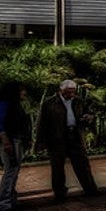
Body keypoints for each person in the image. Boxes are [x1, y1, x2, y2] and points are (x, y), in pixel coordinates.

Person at [36, 80, 99, 201]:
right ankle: (60, 193)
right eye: (68, 92)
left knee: (82, 164)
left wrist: (88, 117)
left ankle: (90, 189)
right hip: (57, 138)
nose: (71, 95)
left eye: (73, 92)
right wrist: (40, 142)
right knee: (57, 167)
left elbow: (88, 112)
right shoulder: (49, 103)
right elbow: (42, 123)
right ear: (61, 90)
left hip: (74, 136)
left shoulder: (78, 101)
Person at [0, 82, 32, 211]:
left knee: (14, 171)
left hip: (17, 140)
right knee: (10, 171)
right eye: (22, 90)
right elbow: (0, 123)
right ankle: (4, 202)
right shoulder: (5, 103)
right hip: (10, 140)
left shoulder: (15, 104)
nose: (24, 93)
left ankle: (11, 199)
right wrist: (5, 140)